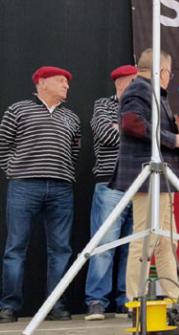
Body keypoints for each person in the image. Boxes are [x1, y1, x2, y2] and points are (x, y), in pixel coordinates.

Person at [0, 66, 81, 323]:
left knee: (61, 249)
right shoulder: (18, 109)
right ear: (42, 83)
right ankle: (9, 307)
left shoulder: (72, 117)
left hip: (61, 188)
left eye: (67, 82)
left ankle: (56, 306)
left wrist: (63, 172)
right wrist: (13, 170)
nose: (66, 86)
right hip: (24, 186)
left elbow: (74, 151)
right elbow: (3, 144)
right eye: (60, 81)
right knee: (16, 248)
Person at [110, 49, 179, 304]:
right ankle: (136, 298)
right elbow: (132, 123)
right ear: (163, 71)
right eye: (170, 73)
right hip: (146, 175)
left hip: (160, 177)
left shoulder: (149, 91)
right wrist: (172, 139)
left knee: (166, 241)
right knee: (145, 238)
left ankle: (172, 297)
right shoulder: (139, 89)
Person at [84, 65, 138, 321]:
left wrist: (125, 129)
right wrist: (133, 131)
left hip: (139, 184)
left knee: (131, 246)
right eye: (135, 82)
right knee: (104, 244)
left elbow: (151, 138)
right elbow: (105, 134)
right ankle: (96, 300)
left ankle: (125, 299)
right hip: (110, 183)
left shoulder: (146, 107)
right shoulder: (103, 105)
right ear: (120, 84)